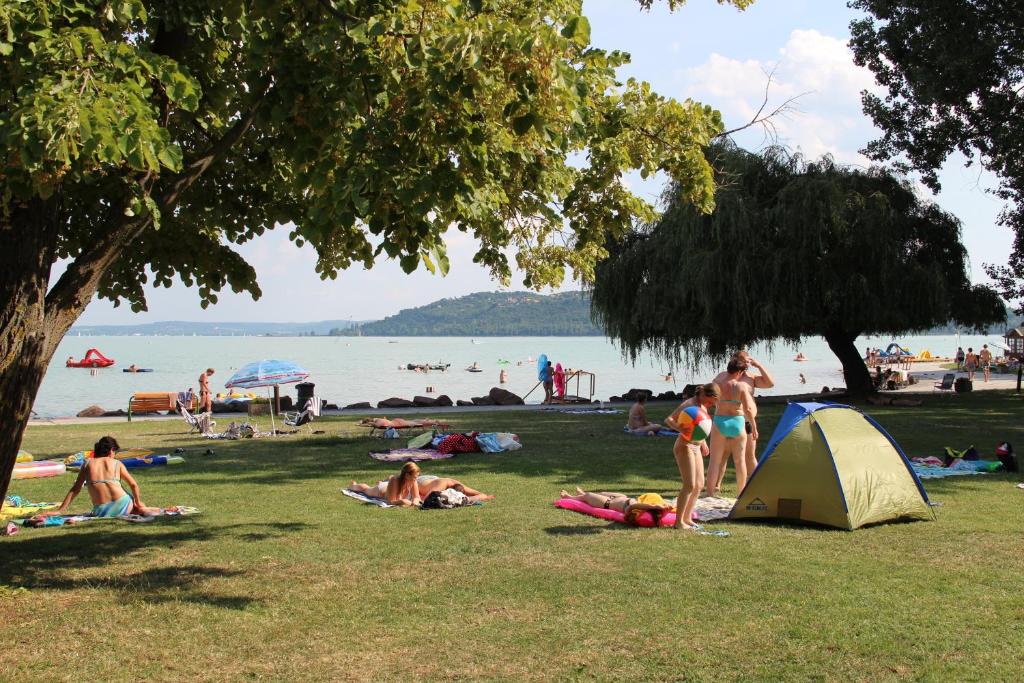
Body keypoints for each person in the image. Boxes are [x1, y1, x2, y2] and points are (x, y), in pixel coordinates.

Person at [47, 436, 158, 517]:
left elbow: (75, 489)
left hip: (101, 510)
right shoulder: (116, 463)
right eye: (115, 452)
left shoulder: (87, 463)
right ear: (111, 451)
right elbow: (133, 484)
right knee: (138, 507)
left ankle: (142, 509)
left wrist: (61, 510)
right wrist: (137, 501)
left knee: (136, 507)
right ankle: (144, 509)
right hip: (123, 504)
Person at [710, 351, 773, 493]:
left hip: (745, 420)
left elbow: (770, 383)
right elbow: (712, 393)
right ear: (736, 361)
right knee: (722, 455)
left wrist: (759, 365)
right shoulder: (722, 376)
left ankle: (757, 484)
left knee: (749, 456)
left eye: (748, 360)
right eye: (745, 360)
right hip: (726, 419)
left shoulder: (751, 377)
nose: (748, 362)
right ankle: (716, 485)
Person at [665, 383, 720, 529]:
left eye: (712, 404)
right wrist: (678, 428)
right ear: (703, 395)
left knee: (699, 485)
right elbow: (669, 419)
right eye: (709, 402)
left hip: (696, 446)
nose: (710, 405)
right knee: (689, 484)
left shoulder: (703, 405)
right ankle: (678, 522)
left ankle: (687, 518)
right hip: (684, 446)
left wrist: (703, 442)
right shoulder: (689, 404)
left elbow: (698, 426)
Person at [707, 359, 758, 496]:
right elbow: (747, 408)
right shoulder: (741, 386)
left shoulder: (717, 384)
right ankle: (741, 493)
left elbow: (707, 400)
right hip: (737, 421)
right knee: (739, 461)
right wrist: (753, 426)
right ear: (739, 372)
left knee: (715, 461)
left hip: (720, 421)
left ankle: (710, 493)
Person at [558, 488, 674, 526]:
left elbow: (630, 509)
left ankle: (569, 497)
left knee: (588, 496)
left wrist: (651, 506)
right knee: (602, 492)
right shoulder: (651, 510)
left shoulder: (638, 511)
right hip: (623, 497)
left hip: (607, 503)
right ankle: (581, 494)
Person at [349, 462, 424, 506]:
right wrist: (403, 501)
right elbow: (390, 501)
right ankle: (354, 485)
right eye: (414, 477)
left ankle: (382, 482)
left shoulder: (413, 481)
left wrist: (415, 502)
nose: (416, 479)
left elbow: (417, 497)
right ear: (407, 475)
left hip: (389, 486)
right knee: (365, 489)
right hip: (380, 491)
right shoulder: (395, 480)